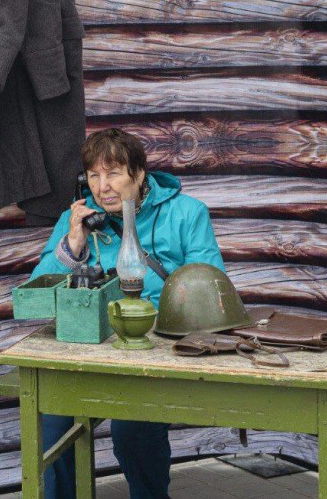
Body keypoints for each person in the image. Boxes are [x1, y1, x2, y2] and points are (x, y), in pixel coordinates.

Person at [29, 128, 225, 499]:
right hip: (93, 351)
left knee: (133, 429)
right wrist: (73, 244)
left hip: (159, 349)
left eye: (113, 174)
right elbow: (36, 295)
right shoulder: (77, 219)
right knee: (53, 421)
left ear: (139, 174)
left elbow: (212, 289)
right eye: (93, 176)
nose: (102, 187)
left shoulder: (187, 214)